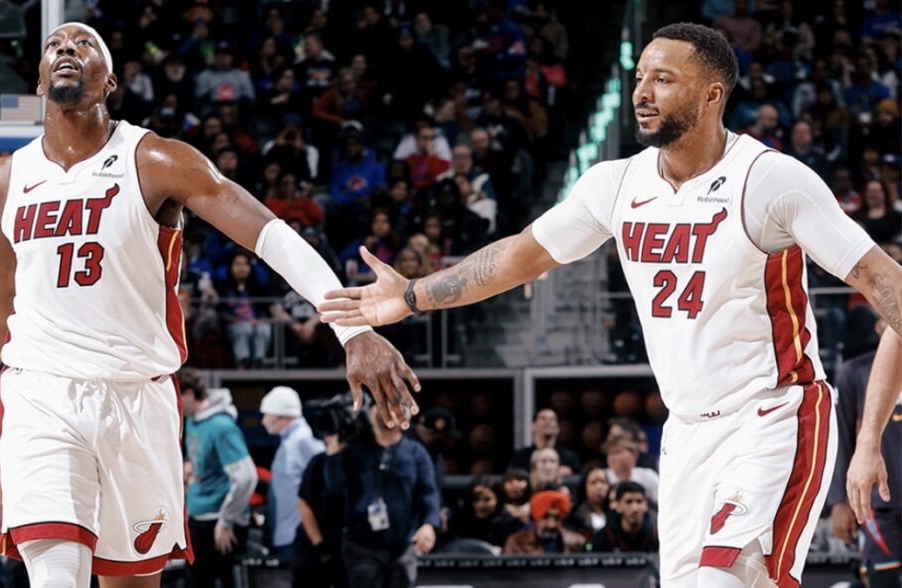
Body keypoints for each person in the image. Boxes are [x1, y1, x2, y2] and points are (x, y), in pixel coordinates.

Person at [319, 22, 902, 588]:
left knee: (726, 582)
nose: (642, 93)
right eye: (639, 77)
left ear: (712, 95)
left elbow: (882, 280)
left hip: (773, 416)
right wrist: (412, 295)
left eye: (663, 80)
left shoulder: (771, 180)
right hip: (686, 431)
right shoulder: (616, 184)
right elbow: (520, 257)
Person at [0, 22, 420, 588]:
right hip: (40, 391)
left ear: (110, 83)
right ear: (39, 80)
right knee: (56, 573)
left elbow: (270, 236)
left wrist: (354, 330)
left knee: (132, 582)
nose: (66, 49)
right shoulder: (4, 179)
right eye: (55, 44)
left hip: (135, 394)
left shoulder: (157, 160)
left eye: (84, 43)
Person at [324, 406, 439, 588]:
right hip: (361, 546)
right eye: (381, 406)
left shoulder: (415, 452)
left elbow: (428, 492)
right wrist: (333, 453)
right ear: (370, 413)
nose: (387, 413)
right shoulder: (354, 451)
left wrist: (429, 524)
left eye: (394, 407)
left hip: (402, 545)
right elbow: (335, 487)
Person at [834, 329, 902, 588]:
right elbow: (841, 437)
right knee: (882, 579)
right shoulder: (855, 372)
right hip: (880, 503)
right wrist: (838, 501)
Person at [180, 368, 257, 588]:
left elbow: (246, 477)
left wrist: (227, 520)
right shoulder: (193, 421)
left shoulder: (221, 427)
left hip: (217, 523)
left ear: (190, 394)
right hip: (198, 516)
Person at [261, 386, 324, 558]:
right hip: (288, 537)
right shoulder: (290, 442)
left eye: (266, 414)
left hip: (298, 538)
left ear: (281, 416)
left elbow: (323, 482)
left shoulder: (302, 441)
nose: (263, 421)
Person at [293, 434, 348, 588]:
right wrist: (320, 546)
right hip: (316, 546)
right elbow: (304, 504)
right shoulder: (319, 463)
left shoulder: (362, 462)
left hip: (349, 547)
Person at [448, 477, 523, 549]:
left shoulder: (512, 526)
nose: (480, 505)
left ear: (498, 500)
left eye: (487, 499)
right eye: (476, 499)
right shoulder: (459, 523)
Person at [588, 481, 659, 553]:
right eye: (628, 502)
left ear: (646, 505)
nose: (635, 508)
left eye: (639, 501)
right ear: (618, 506)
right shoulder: (605, 536)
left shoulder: (657, 535)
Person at [508, 408, 580, 474]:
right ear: (533, 426)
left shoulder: (570, 458)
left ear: (558, 428)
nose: (548, 422)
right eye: (543, 418)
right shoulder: (520, 457)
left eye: (552, 419)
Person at [502, 490, 571, 555]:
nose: (551, 525)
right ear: (536, 517)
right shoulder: (516, 542)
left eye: (557, 518)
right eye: (546, 517)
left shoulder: (574, 543)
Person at [602, 435, 660, 505]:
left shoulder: (648, 476)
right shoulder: (602, 476)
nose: (612, 457)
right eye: (609, 454)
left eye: (617, 452)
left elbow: (661, 502)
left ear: (634, 455)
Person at [571, 467, 611, 535]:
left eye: (603, 482)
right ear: (584, 486)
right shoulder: (576, 516)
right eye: (593, 482)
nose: (599, 486)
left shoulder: (614, 512)